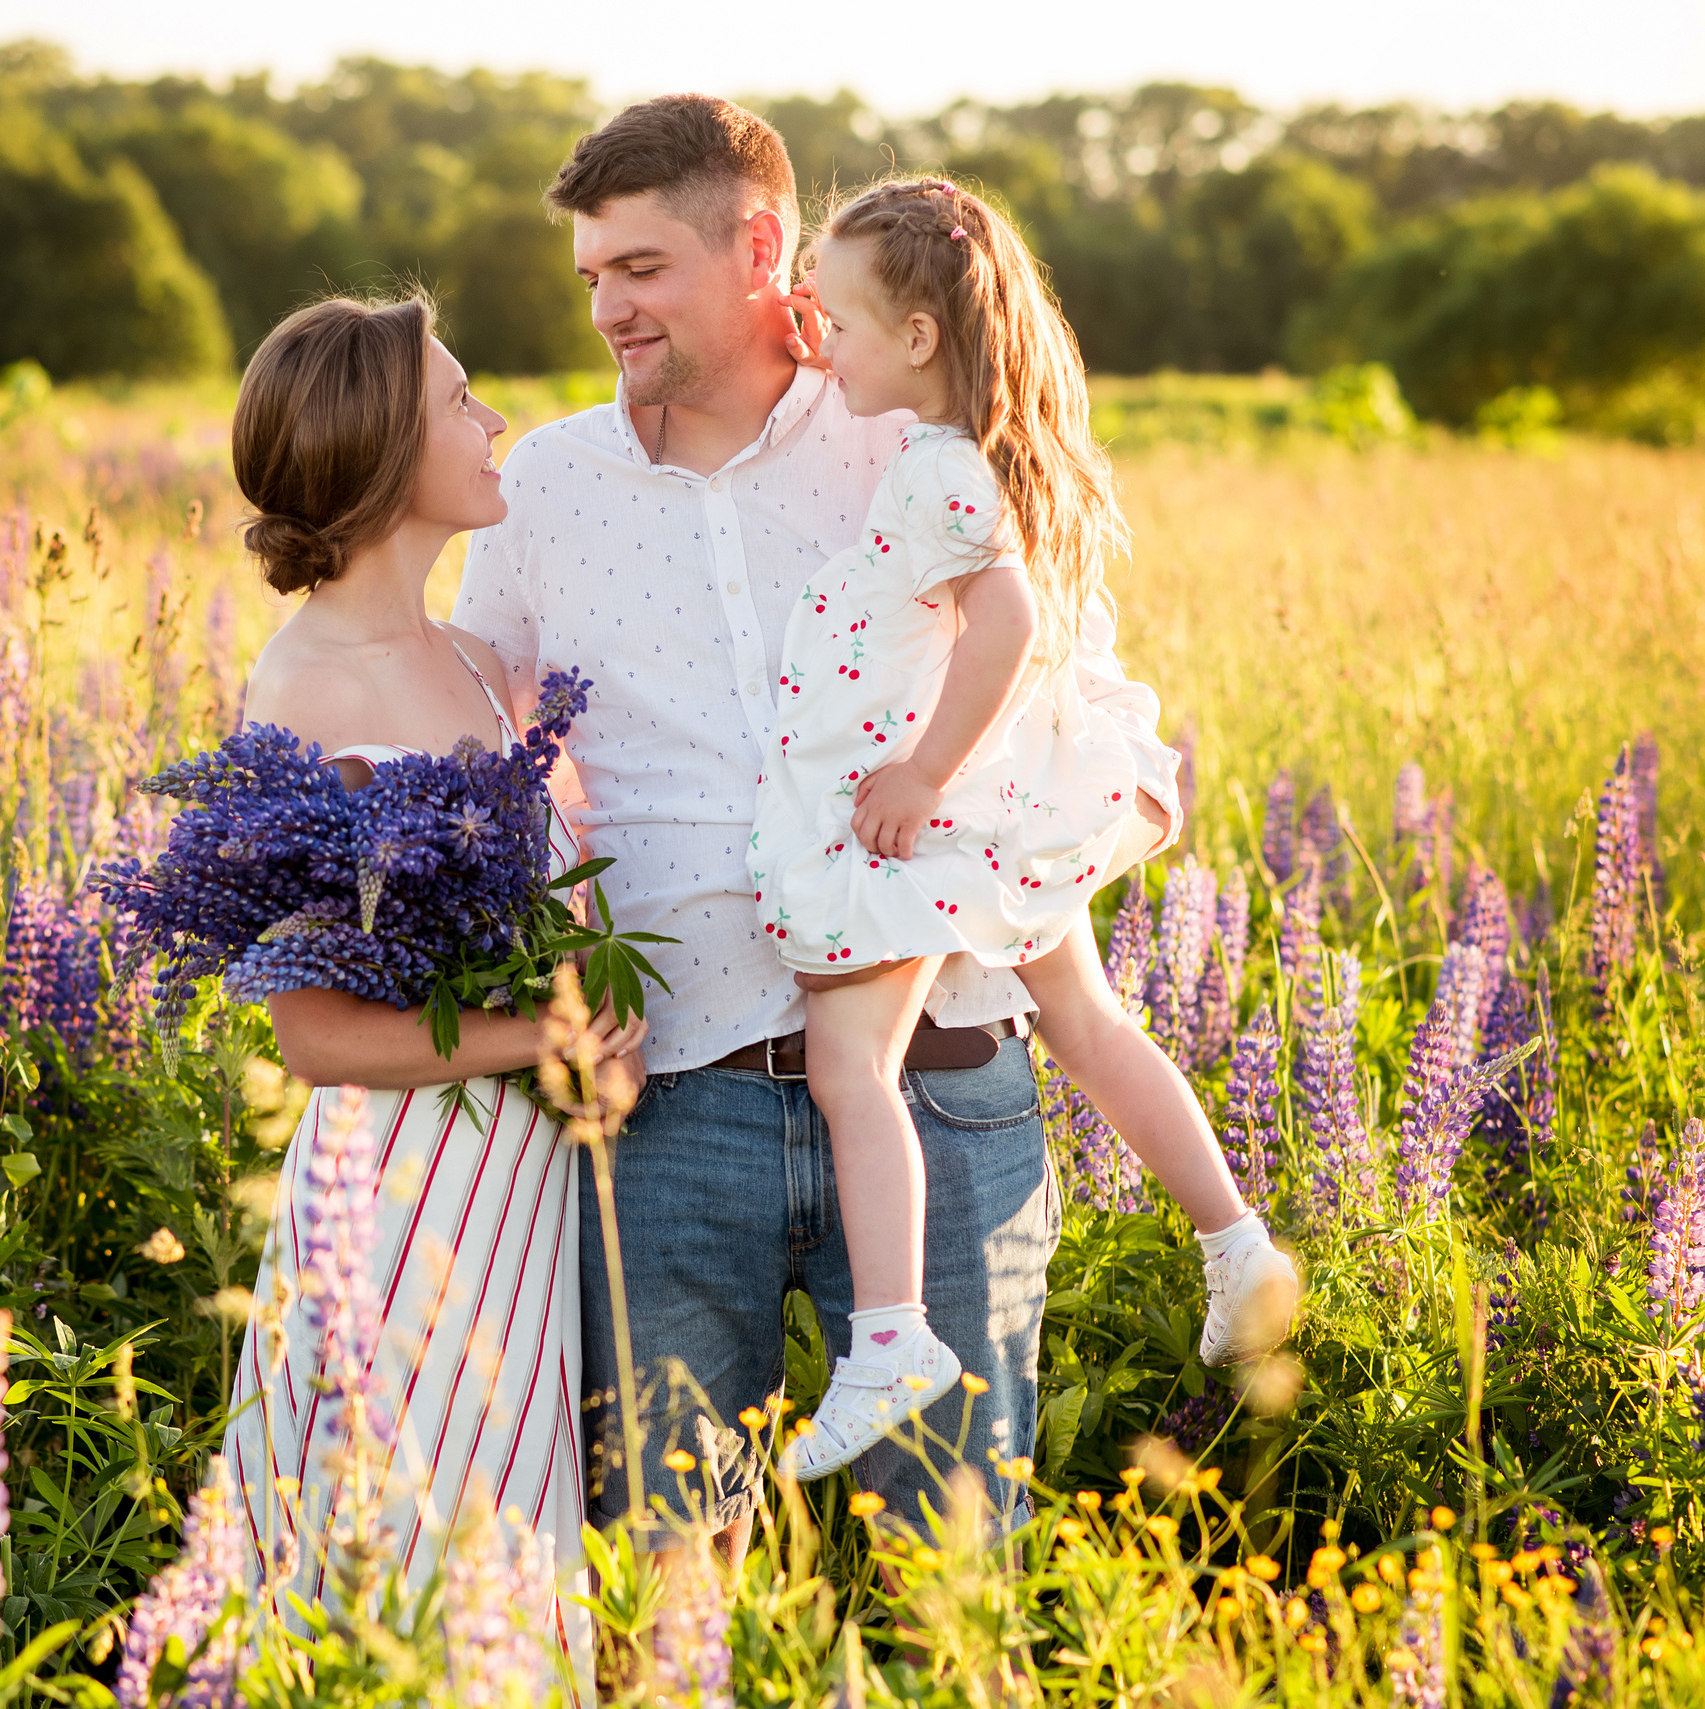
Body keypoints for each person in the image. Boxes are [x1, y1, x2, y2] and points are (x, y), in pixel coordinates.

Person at [456, 94, 1165, 1543]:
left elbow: (1073, 689)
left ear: (760, 245)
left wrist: (1037, 886)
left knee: (952, 1581)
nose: (608, 307)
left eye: (641, 268)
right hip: (672, 1108)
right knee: (668, 1579)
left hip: (942, 1079)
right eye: (592, 275)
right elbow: (495, 757)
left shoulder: (901, 429)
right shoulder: (545, 486)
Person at [750, 179, 1300, 1478]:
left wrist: (923, 773)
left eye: (840, 323)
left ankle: (889, 1338)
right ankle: (1234, 1241)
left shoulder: (940, 473)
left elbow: (999, 626)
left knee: (849, 1065)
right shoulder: (1001, 453)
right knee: (1092, 1025)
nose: (819, 341)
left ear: (924, 340)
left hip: (950, 815)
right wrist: (805, 304)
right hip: (1023, 799)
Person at [216, 293, 644, 1683]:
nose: (493, 420)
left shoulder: (477, 662)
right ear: (390, 447)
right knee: (387, 1569)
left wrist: (593, 1018)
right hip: (395, 1205)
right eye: (461, 401)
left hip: (521, 1192)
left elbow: (552, 909)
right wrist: (539, 1031)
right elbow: (313, 1029)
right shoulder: (299, 694)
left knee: (499, 1571)